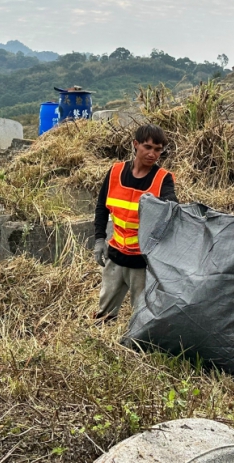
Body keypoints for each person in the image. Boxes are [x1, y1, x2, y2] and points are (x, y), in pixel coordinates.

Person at [93, 124, 177, 321]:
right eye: (147, 147)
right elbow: (101, 206)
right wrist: (99, 240)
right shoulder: (115, 172)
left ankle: (136, 349)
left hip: (141, 262)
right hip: (114, 257)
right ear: (135, 145)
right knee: (103, 314)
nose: (152, 154)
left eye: (158, 150)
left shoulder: (162, 179)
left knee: (141, 315)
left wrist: (168, 204)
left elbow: (172, 207)